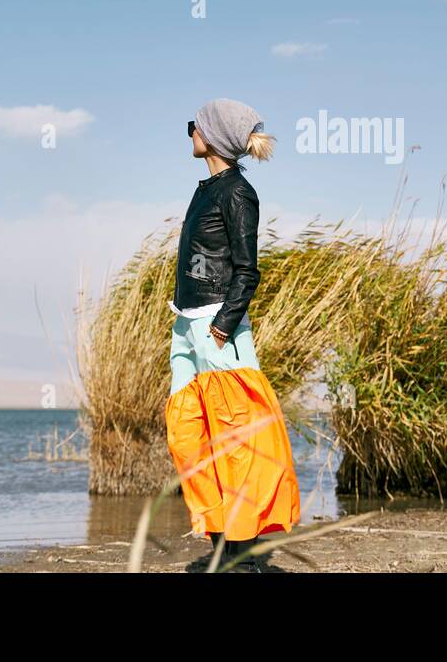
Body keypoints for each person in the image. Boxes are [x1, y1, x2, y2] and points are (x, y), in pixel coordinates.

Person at [163, 98, 301, 572]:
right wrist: (191, 323)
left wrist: (223, 325)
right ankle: (221, 538)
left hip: (218, 326)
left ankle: (242, 553)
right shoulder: (206, 190)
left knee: (238, 441)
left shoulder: (238, 193)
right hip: (185, 324)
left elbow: (248, 270)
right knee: (188, 436)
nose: (189, 134)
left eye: (193, 127)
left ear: (215, 137)